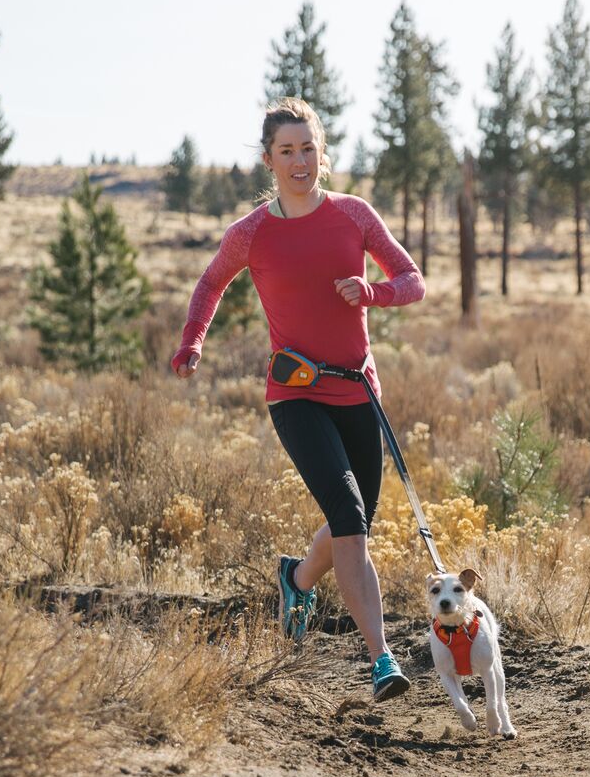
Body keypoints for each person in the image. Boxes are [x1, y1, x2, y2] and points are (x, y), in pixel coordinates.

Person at [170, 97, 426, 703]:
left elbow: (412, 280)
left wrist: (372, 293)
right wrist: (192, 342)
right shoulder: (252, 233)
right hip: (296, 393)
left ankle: (297, 577)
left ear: (322, 153)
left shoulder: (355, 216)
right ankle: (381, 659)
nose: (299, 160)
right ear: (269, 160)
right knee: (347, 516)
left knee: (353, 520)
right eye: (287, 151)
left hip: (358, 388)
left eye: (308, 148)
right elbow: (210, 283)